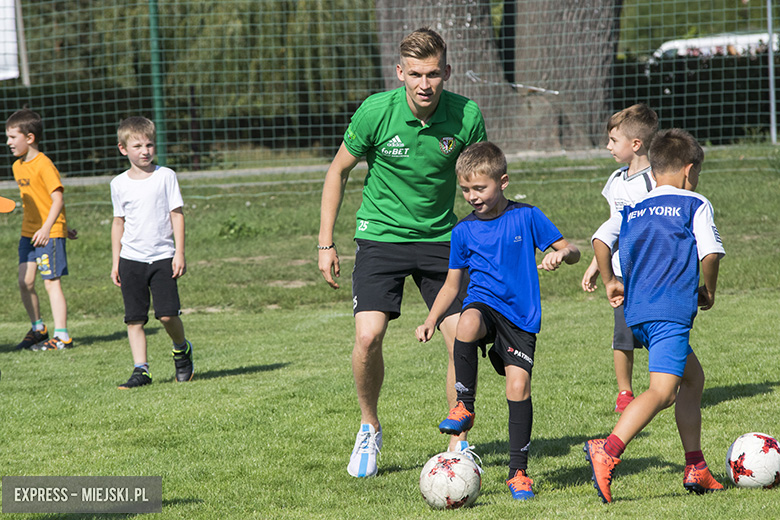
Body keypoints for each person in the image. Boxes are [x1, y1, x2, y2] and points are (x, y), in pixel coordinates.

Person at [317, 27, 487, 477]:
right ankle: (369, 427)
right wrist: (326, 241)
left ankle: (458, 443)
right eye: (415, 74)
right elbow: (337, 172)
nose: (424, 84)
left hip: (441, 240)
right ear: (400, 73)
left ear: (446, 72)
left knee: (461, 337)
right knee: (369, 336)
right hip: (381, 236)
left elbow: (479, 181)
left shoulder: (467, 115)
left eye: (433, 74)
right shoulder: (376, 112)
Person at [416, 142, 580, 499]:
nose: (472, 196)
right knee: (467, 321)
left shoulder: (527, 216)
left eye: (480, 188)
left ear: (502, 181)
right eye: (465, 190)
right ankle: (464, 406)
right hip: (484, 302)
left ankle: (518, 473)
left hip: (521, 317)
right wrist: (431, 318)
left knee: (518, 388)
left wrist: (561, 255)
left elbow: (572, 250)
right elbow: (452, 284)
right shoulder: (462, 231)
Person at [584, 128, 725, 503]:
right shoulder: (694, 203)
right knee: (663, 392)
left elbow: (600, 239)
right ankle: (608, 449)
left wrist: (612, 280)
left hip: (638, 313)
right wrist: (708, 290)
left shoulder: (634, 206)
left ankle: (696, 466)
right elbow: (709, 254)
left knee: (693, 379)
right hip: (670, 311)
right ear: (689, 171)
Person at [581, 104, 658, 413]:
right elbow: (610, 226)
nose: (608, 146)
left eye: (614, 140)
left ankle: (663, 383)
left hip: (651, 273)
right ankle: (625, 393)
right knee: (622, 333)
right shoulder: (615, 179)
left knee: (655, 329)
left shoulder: (655, 182)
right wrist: (596, 266)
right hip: (620, 273)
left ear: (635, 144)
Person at [110, 116, 194, 389]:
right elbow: (118, 223)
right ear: (123, 149)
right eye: (137, 146)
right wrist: (116, 262)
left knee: (167, 315)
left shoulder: (166, 176)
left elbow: (177, 215)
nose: (145, 151)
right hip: (131, 259)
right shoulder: (118, 184)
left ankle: (181, 350)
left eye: (149, 144)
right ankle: (141, 370)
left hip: (162, 257)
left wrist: (178, 252)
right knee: (134, 318)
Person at [6, 108, 76, 351]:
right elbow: (39, 201)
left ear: (30, 137)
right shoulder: (17, 167)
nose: (8, 142)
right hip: (29, 233)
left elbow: (57, 199)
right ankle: (38, 329)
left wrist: (52, 228)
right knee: (25, 281)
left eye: (13, 137)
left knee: (51, 282)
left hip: (48, 234)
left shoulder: (44, 164)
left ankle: (62, 336)